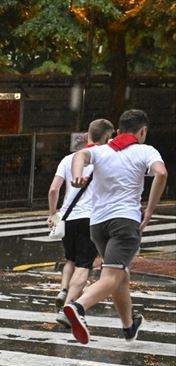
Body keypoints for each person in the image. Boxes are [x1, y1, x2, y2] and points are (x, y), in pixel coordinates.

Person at [63, 109, 168, 344]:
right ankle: (78, 307)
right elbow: (161, 172)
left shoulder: (102, 151)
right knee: (111, 275)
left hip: (98, 224)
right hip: (125, 222)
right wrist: (150, 209)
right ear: (143, 131)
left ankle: (129, 326)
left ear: (119, 131)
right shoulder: (145, 151)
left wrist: (78, 175)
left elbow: (80, 155)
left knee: (120, 275)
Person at [47, 118, 113, 321]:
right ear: (108, 137)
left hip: (68, 216)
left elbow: (53, 189)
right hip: (91, 217)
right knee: (84, 265)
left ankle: (63, 289)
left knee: (70, 259)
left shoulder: (69, 159)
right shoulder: (107, 158)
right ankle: (67, 309)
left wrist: (52, 213)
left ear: (87, 135)